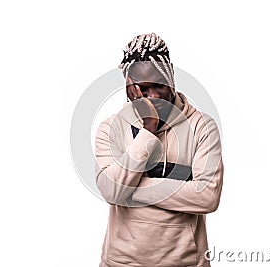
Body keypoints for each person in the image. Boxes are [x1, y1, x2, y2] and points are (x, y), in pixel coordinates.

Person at [94, 32, 224, 267]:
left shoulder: (201, 127)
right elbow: (112, 192)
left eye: (159, 86)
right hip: (121, 262)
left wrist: (130, 189)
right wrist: (148, 130)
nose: (153, 97)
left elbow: (207, 197)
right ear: (129, 87)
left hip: (185, 262)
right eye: (143, 89)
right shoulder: (111, 128)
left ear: (171, 80)